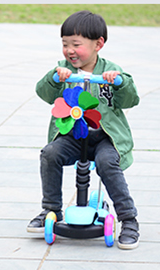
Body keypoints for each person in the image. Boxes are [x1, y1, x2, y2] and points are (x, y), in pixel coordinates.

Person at [27, 9, 140, 249]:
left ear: (98, 44)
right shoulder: (62, 71)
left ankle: (129, 219)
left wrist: (119, 83)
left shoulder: (111, 71)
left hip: (104, 138)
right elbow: (44, 94)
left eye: (76, 44)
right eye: (65, 44)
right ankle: (51, 210)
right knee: (50, 154)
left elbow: (130, 100)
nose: (69, 50)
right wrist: (54, 79)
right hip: (72, 136)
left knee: (107, 163)